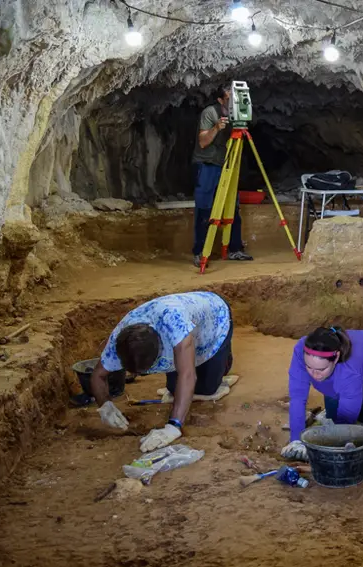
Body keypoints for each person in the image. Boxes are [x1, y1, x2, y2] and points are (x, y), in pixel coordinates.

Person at [89, 291, 236, 452]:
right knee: (175, 390)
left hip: (214, 319)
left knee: (207, 389)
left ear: (160, 350)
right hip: (181, 333)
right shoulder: (120, 341)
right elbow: (98, 375)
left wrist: (174, 425)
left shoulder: (176, 330)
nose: (139, 375)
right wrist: (105, 405)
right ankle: (197, 363)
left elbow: (187, 376)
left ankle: (224, 358)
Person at [280, 326, 363, 461]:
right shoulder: (300, 351)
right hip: (348, 373)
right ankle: (361, 391)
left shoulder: (350, 367)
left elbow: (346, 420)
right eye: (309, 367)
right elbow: (297, 397)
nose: (314, 374)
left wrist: (335, 446)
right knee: (333, 416)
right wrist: (296, 440)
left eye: (321, 369)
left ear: (336, 356)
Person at [192, 85, 252, 267]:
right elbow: (202, 142)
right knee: (205, 208)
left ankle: (234, 248)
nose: (233, 103)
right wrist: (217, 127)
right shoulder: (210, 113)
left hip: (227, 164)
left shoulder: (237, 118)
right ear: (220, 100)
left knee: (232, 207)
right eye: (229, 99)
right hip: (208, 164)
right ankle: (200, 252)